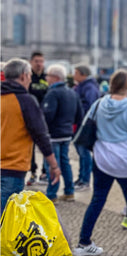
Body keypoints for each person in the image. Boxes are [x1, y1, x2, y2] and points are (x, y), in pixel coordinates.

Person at [73, 70, 127, 256]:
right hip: (125, 162)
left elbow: (87, 127)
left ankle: (83, 242)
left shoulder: (99, 104)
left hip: (102, 160)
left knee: (97, 200)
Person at [0, 58, 60, 214]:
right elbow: (40, 135)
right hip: (12, 168)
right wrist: (53, 165)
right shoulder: (25, 101)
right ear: (24, 76)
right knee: (6, 220)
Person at [42, 64, 84, 203]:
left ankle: (52, 194)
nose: (46, 78)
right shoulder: (72, 92)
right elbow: (80, 115)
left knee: (52, 164)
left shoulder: (53, 93)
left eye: (48, 75)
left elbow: (48, 115)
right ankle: (69, 191)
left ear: (55, 77)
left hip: (53, 134)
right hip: (67, 133)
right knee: (65, 162)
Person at [73, 64, 101, 192]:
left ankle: (85, 180)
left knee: (84, 153)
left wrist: (79, 113)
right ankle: (81, 178)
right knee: (81, 153)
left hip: (84, 124)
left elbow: (91, 106)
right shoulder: (82, 86)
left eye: (76, 73)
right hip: (80, 123)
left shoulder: (89, 87)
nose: (74, 75)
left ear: (82, 74)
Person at [27, 51, 50, 185]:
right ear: (31, 62)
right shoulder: (28, 77)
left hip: (45, 117)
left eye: (41, 61)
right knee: (30, 145)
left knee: (45, 145)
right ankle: (32, 171)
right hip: (30, 116)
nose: (39, 64)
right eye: (36, 61)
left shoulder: (47, 78)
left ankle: (44, 172)